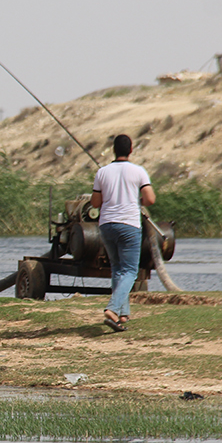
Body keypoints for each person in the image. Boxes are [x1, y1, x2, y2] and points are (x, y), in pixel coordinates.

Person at [90, 134, 156, 332]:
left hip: (106, 225)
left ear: (113, 150)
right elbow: (150, 199)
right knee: (130, 271)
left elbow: (95, 203)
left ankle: (123, 314)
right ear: (131, 150)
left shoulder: (102, 172)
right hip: (129, 225)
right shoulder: (138, 171)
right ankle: (112, 309)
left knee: (118, 270)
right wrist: (137, 201)